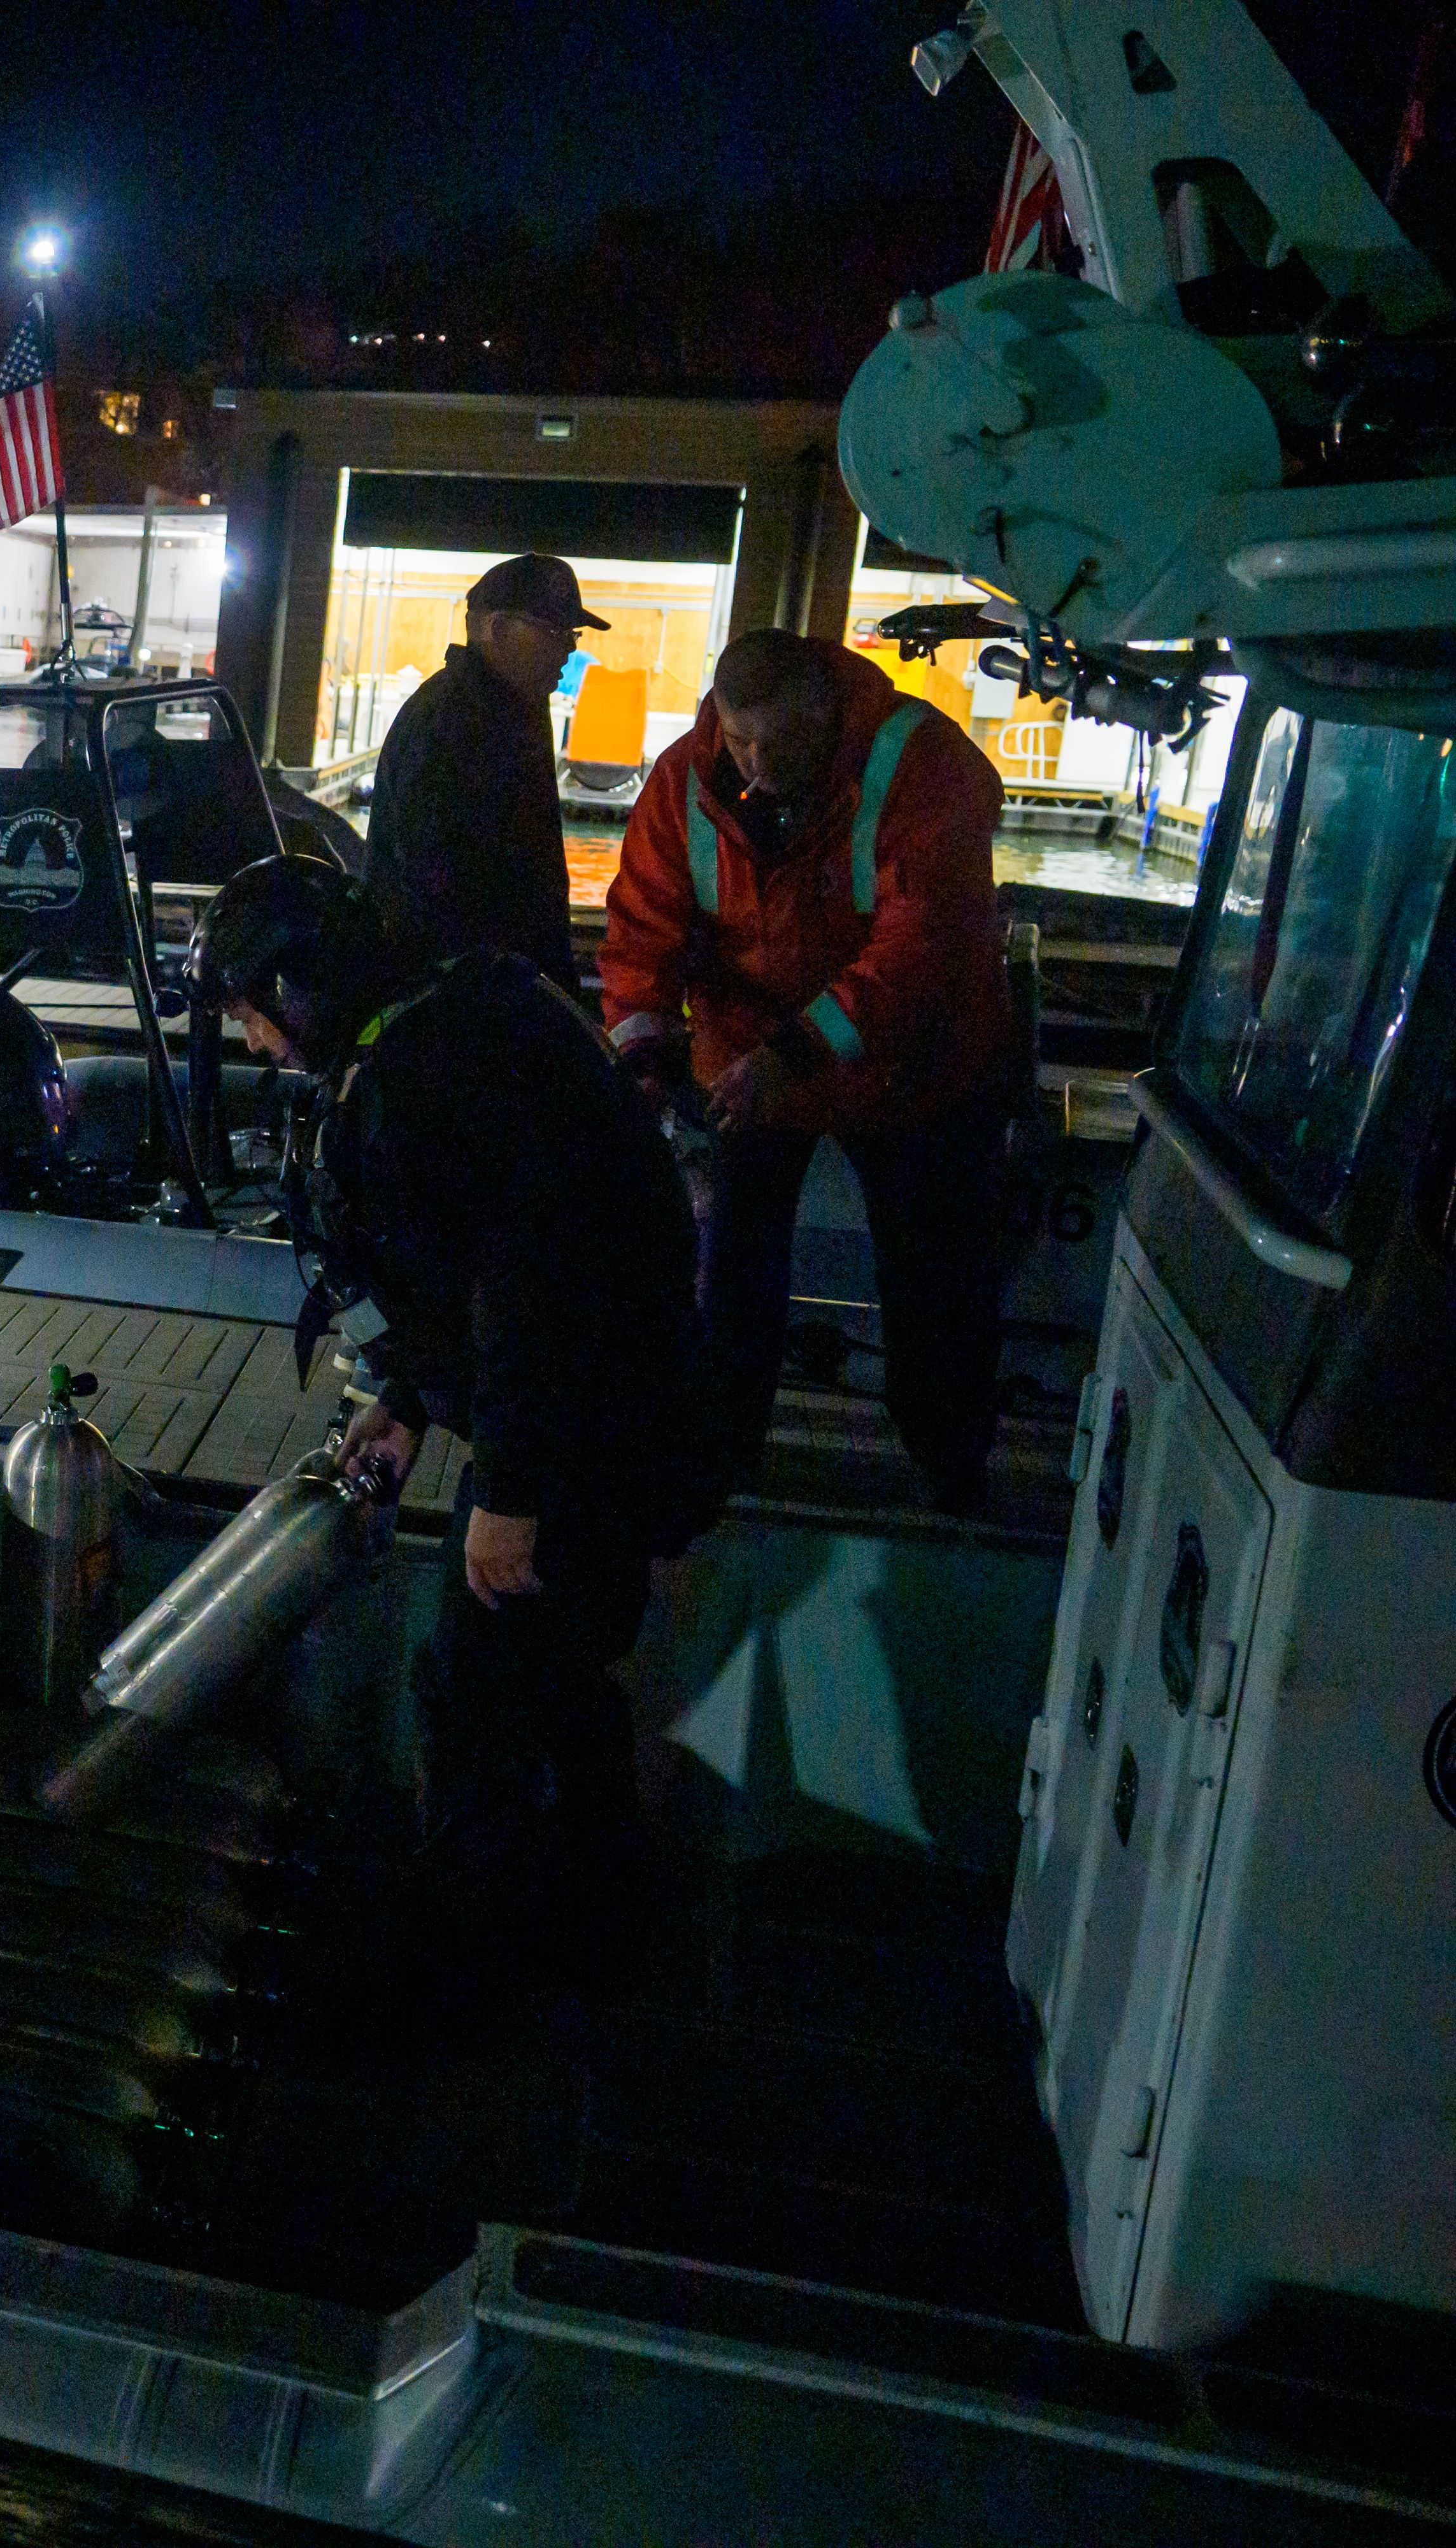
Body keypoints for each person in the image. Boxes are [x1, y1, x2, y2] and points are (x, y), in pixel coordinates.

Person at [201, 854, 707, 1971]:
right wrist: (409, 1401)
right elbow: (474, 1261)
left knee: (473, 1692)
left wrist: (511, 1498)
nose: (252, 1047)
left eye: (251, 1018)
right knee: (559, 1673)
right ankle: (610, 1931)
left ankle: (465, 1966)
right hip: (612, 1410)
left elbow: (532, 1287)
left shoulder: (429, 1073)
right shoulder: (447, 1029)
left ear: (297, 991)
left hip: (582, 1435)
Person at [600, 626, 1013, 1517]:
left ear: (827, 713)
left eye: (776, 744)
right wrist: (642, 1055)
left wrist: (790, 1055)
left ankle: (950, 1472)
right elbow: (642, 929)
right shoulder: (685, 779)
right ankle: (719, 1465)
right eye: (739, 739)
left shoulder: (922, 766)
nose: (754, 762)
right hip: (750, 1062)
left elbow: (923, 949)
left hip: (911, 1069)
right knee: (732, 1269)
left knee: (933, 1275)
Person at [360, 552, 603, 984]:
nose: (570, 647)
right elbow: (433, 885)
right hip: (462, 1003)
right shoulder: (451, 720)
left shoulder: (512, 708)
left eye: (573, 632)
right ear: (498, 630)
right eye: (554, 631)